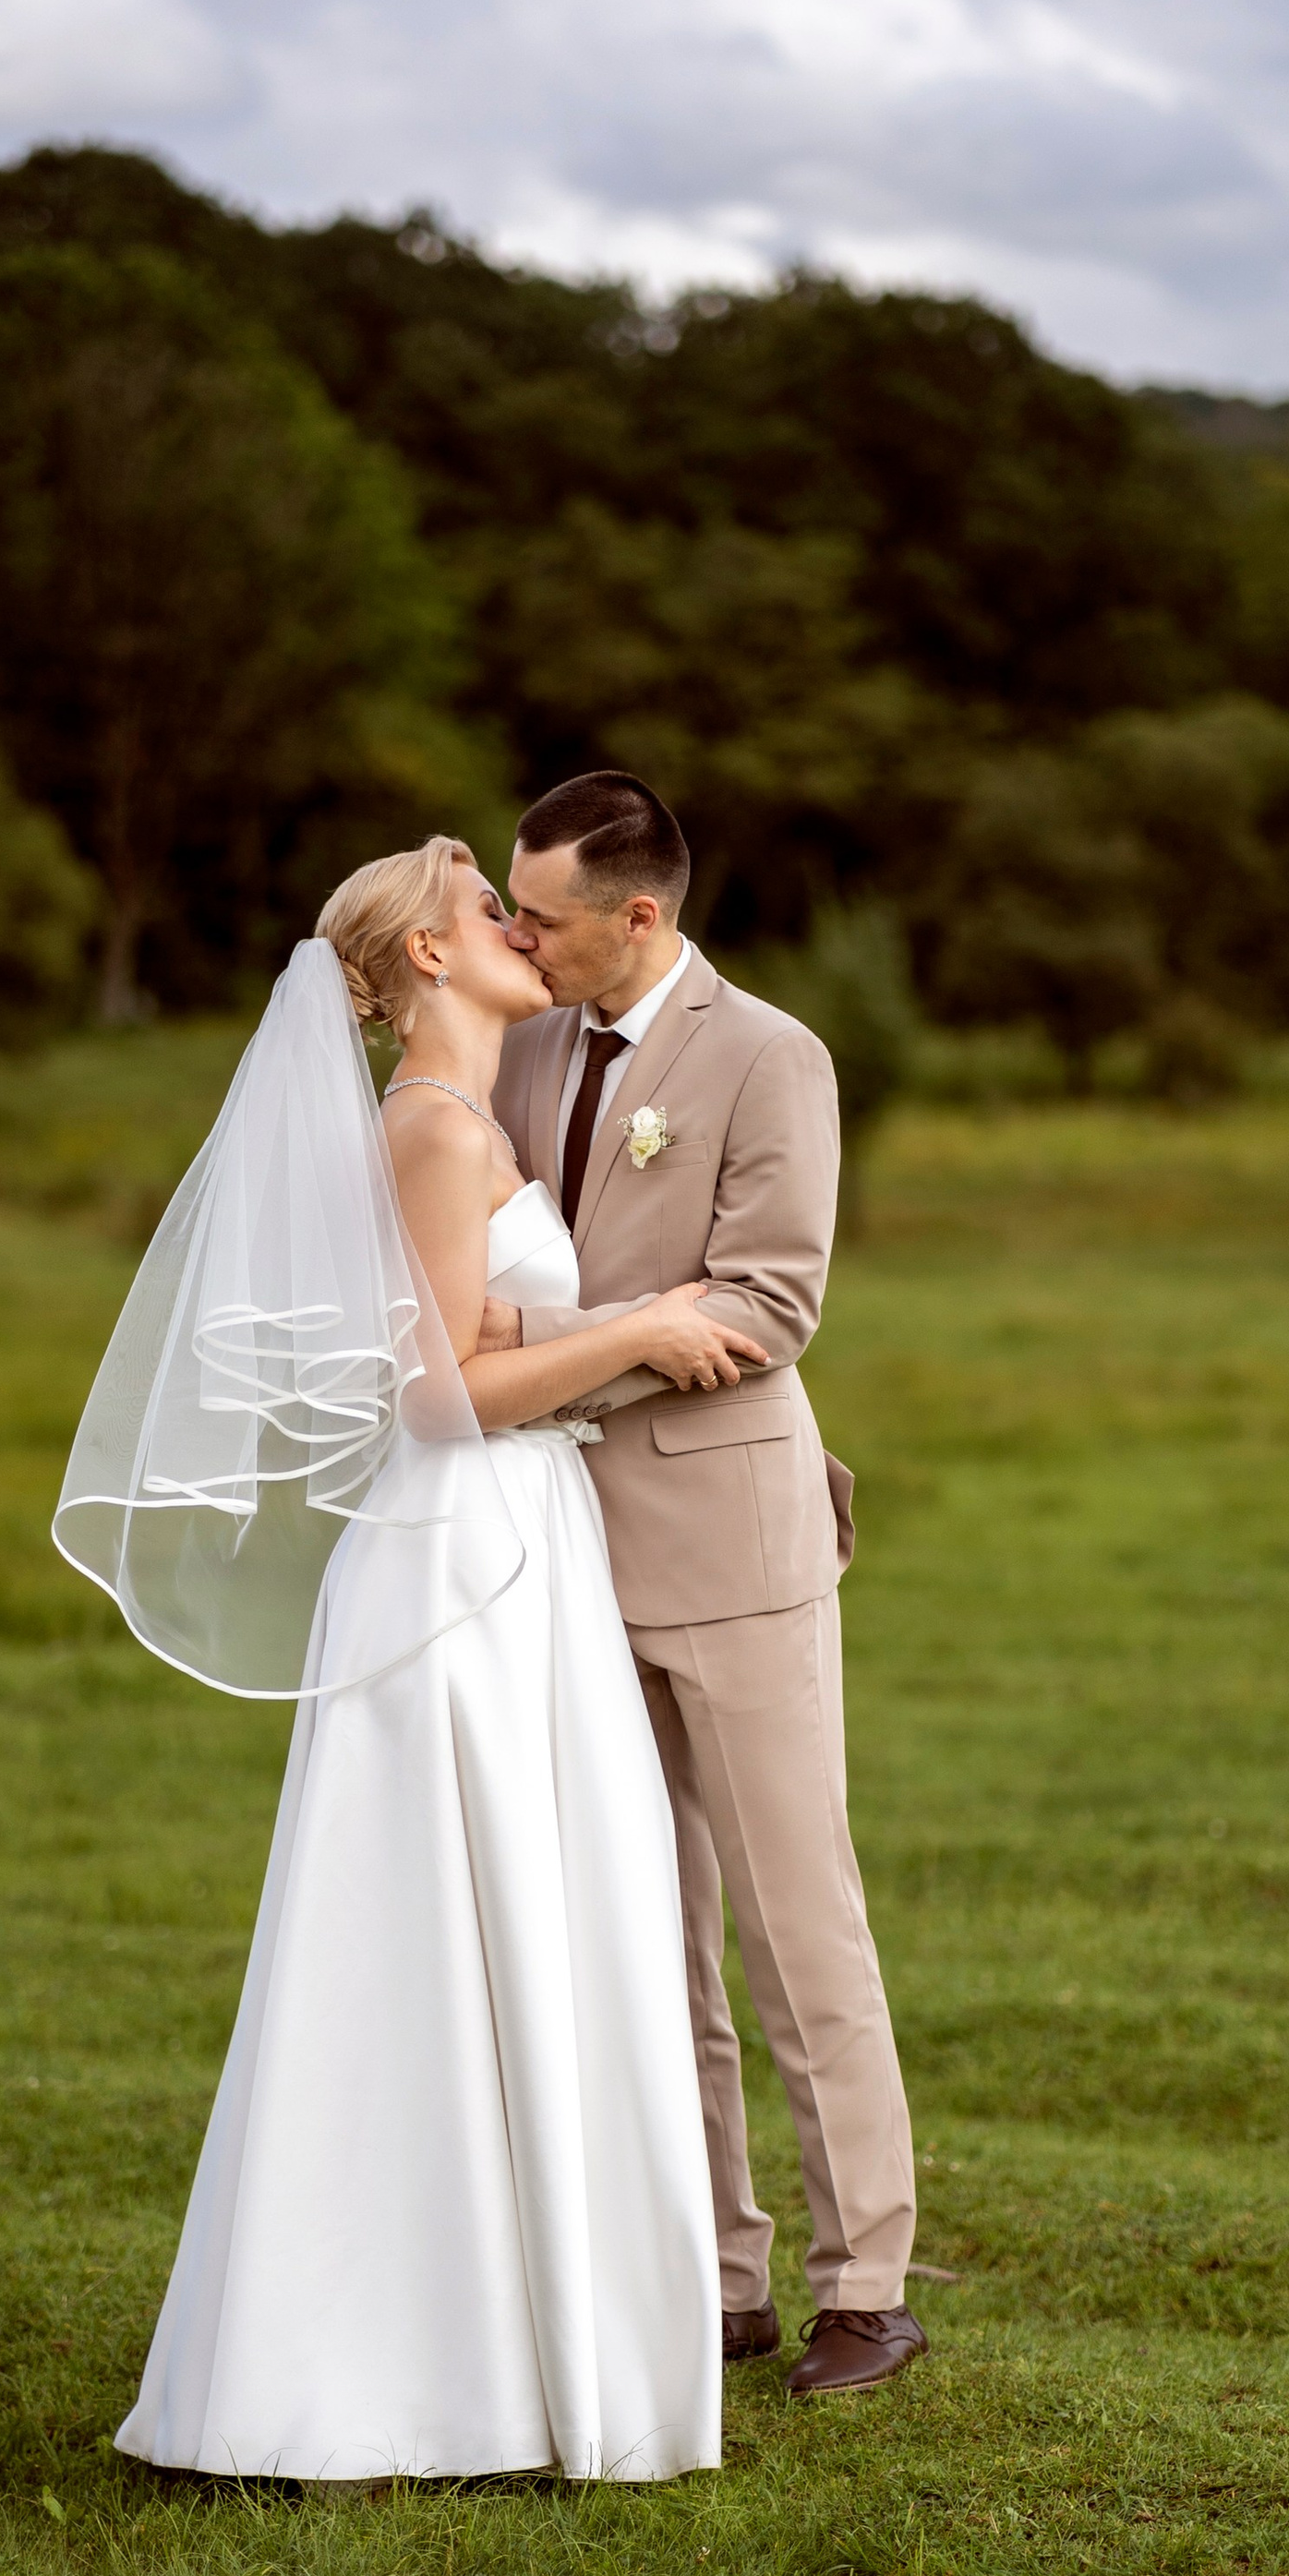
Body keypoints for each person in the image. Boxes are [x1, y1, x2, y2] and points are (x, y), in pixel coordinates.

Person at [56, 837, 766, 2485]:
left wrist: (548, 1339)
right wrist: (642, 1330)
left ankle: (504, 2355)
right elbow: (438, 1398)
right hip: (462, 1553)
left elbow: (463, 1341)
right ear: (432, 963)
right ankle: (405, 2368)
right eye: (490, 915)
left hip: (514, 1548)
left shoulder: (466, 1131)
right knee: (442, 1942)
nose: (524, 934)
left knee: (525, 1921)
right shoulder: (436, 1131)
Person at [487, 771, 924, 2401]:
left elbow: (769, 1299)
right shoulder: (520, 1045)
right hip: (554, 1552)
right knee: (649, 1931)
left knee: (796, 1924)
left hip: (732, 1545)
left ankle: (867, 2282)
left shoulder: (770, 1055)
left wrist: (526, 1361)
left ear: (641, 915)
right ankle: (718, 2272)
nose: (522, 936)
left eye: (545, 914)